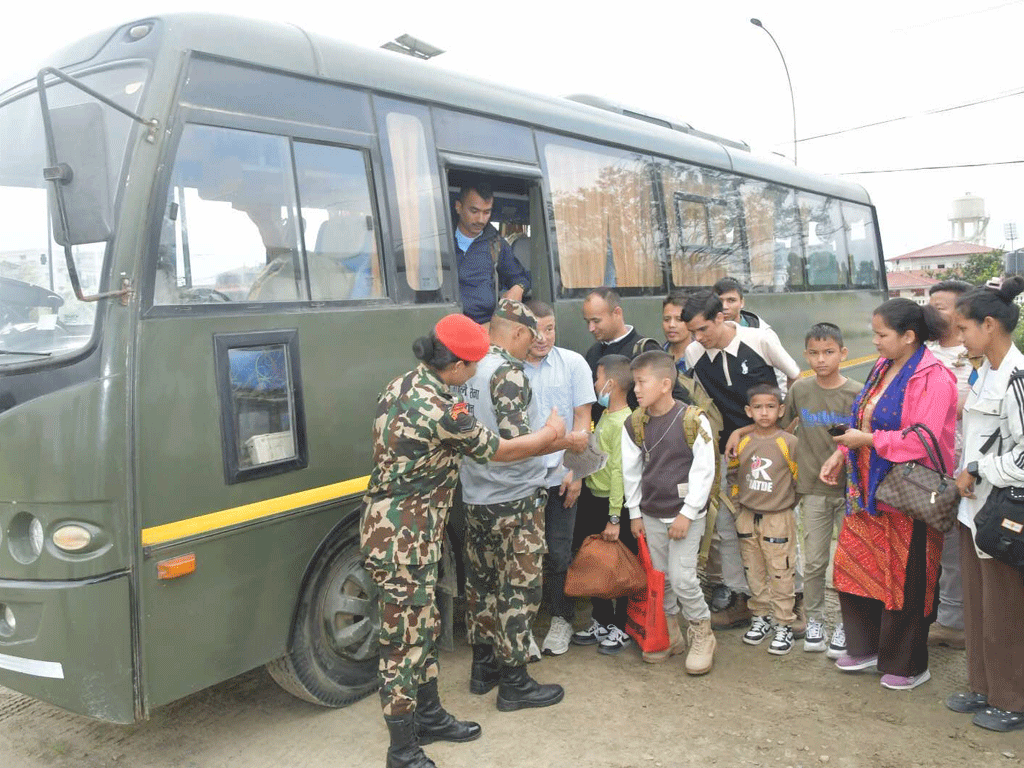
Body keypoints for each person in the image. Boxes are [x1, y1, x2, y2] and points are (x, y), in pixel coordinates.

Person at [360, 313, 565, 768]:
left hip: (403, 531)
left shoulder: (401, 384)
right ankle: (402, 750)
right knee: (404, 645)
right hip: (404, 540)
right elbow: (501, 450)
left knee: (425, 627)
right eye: (472, 365)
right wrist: (552, 436)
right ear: (455, 366)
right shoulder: (441, 409)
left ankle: (429, 716)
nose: (476, 372)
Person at [819, 298, 956, 691]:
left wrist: (866, 441)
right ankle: (866, 647)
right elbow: (862, 416)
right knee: (855, 565)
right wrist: (841, 452)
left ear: (908, 336)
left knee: (907, 577)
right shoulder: (883, 366)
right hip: (866, 489)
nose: (875, 341)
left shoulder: (934, 378)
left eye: (881, 334)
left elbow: (921, 440)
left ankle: (907, 664)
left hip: (906, 492)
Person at [457, 298, 584, 712]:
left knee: (481, 585)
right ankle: (514, 683)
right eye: (531, 336)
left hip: (475, 496)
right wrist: (557, 436)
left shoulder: (467, 370)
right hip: (513, 498)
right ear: (516, 332)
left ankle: (483, 669)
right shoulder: (508, 373)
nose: (534, 344)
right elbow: (516, 446)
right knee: (518, 588)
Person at [683, 289, 802, 630]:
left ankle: (794, 599)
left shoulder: (759, 340)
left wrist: (782, 428)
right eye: (693, 332)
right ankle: (742, 599)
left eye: (703, 329)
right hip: (726, 452)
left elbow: (795, 377)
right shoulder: (694, 354)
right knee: (729, 526)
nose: (698, 338)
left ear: (721, 317)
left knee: (779, 525)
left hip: (769, 449)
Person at [949, 276, 1024, 731]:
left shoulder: (1017, 377)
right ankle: (983, 687)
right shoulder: (986, 373)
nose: (959, 337)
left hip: (1001, 512)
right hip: (972, 509)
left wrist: (979, 469)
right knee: (979, 606)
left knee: (1005, 610)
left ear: (989, 325)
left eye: (964, 328)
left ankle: (1012, 699)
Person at [622, 351, 718, 673]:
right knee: (660, 578)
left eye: (642, 382)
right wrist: (635, 513)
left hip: (686, 516)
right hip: (652, 513)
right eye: (634, 383)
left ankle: (702, 632)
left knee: (683, 578)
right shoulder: (635, 423)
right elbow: (631, 471)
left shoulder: (693, 420)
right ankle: (670, 632)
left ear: (665, 384)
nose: (636, 390)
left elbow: (704, 471)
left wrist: (687, 514)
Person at [780, 323, 861, 654]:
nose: (821, 359)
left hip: (850, 492)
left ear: (843, 353)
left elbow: (865, 439)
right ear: (805, 355)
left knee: (850, 562)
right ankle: (815, 619)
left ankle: (847, 624)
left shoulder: (857, 392)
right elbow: (780, 427)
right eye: (814, 353)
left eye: (828, 352)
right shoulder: (800, 390)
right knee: (814, 562)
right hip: (812, 489)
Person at [522, 300, 595, 657]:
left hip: (560, 477)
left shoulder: (573, 363)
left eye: (549, 329)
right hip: (520, 479)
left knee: (559, 552)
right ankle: (521, 629)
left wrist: (575, 470)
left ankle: (561, 619)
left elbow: (583, 419)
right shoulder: (507, 369)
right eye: (536, 330)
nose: (543, 337)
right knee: (521, 556)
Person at [729, 384, 800, 655]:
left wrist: (786, 506)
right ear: (749, 411)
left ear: (780, 410)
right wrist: (738, 508)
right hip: (748, 516)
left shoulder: (788, 442)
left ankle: (784, 623)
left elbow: (799, 479)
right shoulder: (743, 442)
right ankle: (761, 617)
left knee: (781, 572)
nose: (764, 413)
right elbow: (733, 475)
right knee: (754, 571)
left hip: (778, 517)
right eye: (758, 407)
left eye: (770, 407)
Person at [572, 354, 636, 655]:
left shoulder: (624, 422)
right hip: (594, 500)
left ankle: (621, 626)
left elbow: (621, 472)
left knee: (620, 565)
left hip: (614, 506)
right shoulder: (606, 417)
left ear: (610, 384)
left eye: (596, 379)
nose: (594, 385)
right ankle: (601, 620)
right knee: (597, 562)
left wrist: (614, 517)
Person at [925, 279, 974, 650]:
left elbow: (963, 407)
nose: (930, 312)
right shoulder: (923, 351)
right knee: (928, 542)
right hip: (924, 466)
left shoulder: (978, 355)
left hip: (962, 467)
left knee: (956, 544)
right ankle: (930, 610)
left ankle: (954, 621)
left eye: (939, 306)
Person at [453, 180, 531, 324]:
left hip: (483, 325)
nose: (480, 219)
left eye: (486, 212)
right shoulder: (440, 240)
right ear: (458, 207)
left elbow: (520, 278)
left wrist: (518, 288)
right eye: (474, 211)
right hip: (444, 323)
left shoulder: (496, 244)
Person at [662, 291, 692, 374]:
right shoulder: (657, 356)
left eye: (679, 319)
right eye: (666, 319)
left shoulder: (701, 357)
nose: (671, 325)